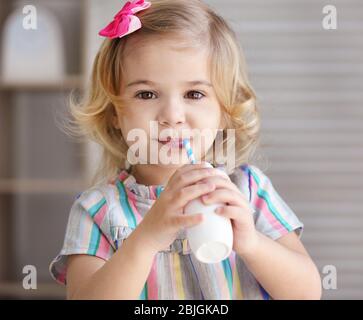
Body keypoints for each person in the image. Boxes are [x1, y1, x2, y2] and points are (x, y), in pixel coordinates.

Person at [49, 0, 321, 300]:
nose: (172, 115)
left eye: (194, 93)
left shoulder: (248, 190)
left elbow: (306, 293)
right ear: (115, 112)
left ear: (224, 110)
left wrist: (252, 243)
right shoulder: (98, 210)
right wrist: (146, 238)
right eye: (147, 93)